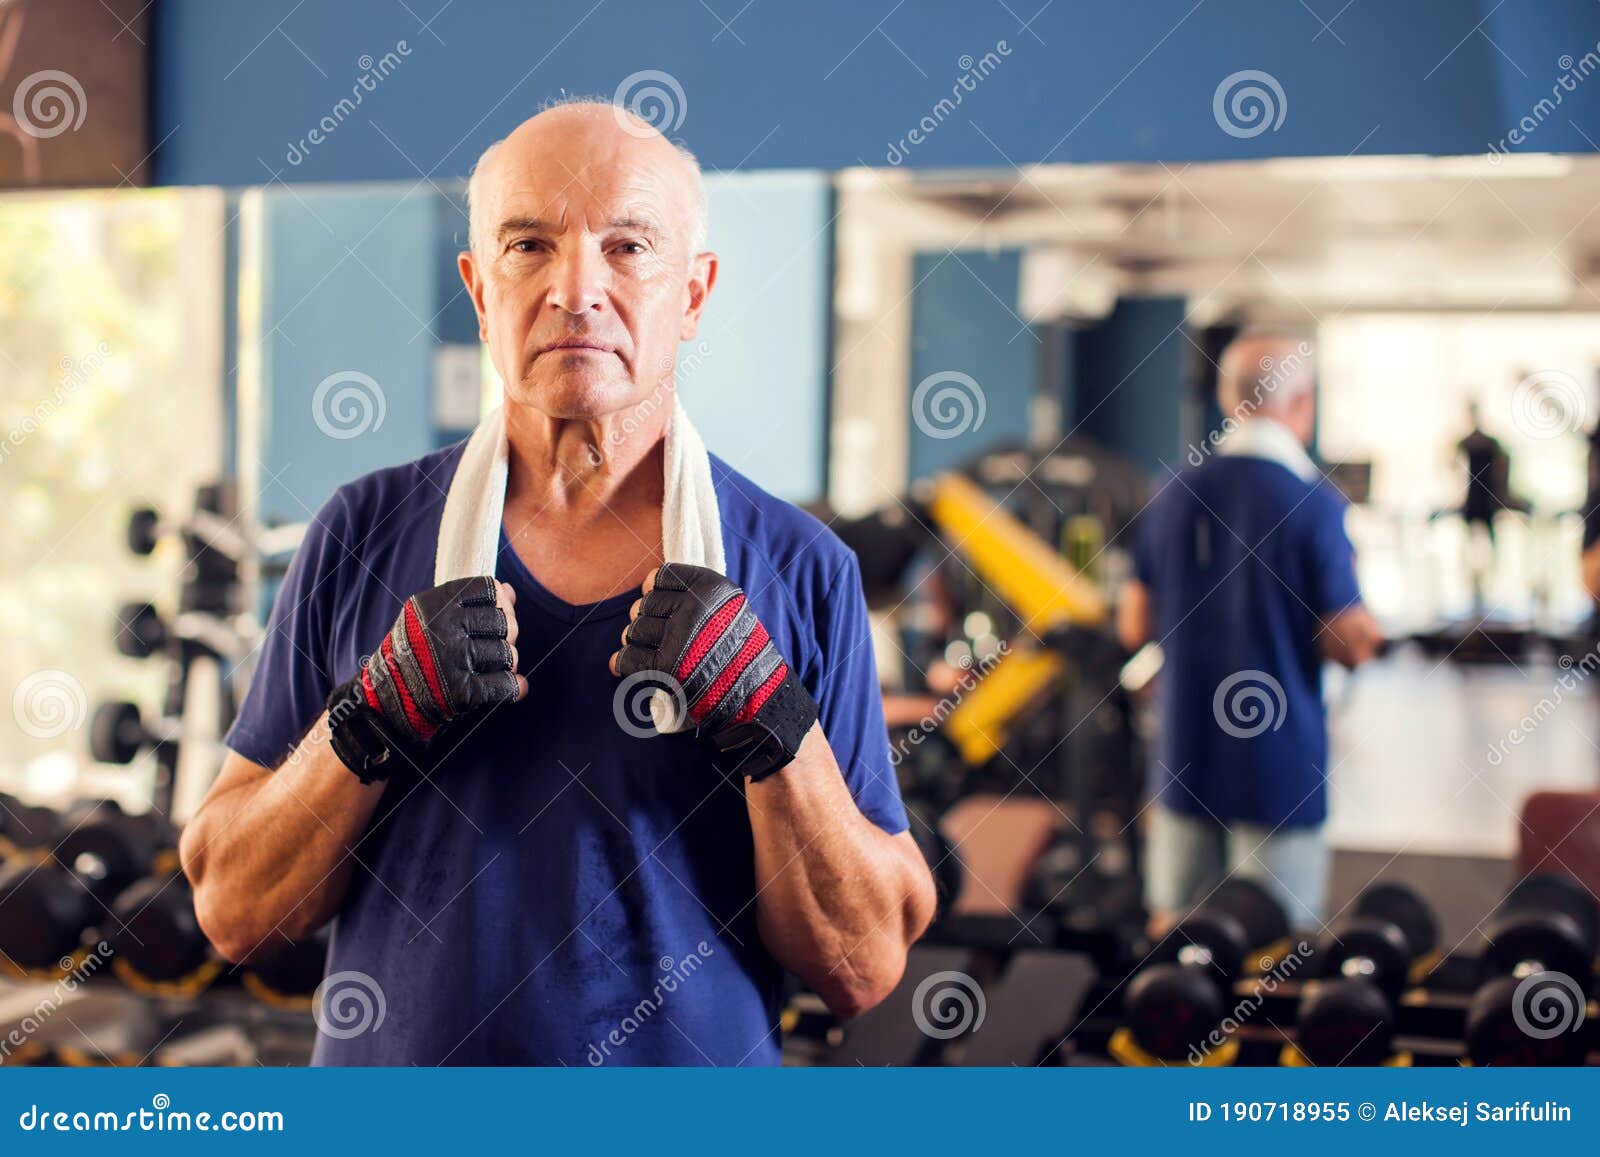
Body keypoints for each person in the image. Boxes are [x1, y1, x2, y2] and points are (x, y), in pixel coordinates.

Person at [179, 99, 934, 1066]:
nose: (576, 290)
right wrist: (363, 724)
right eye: (529, 245)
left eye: (628, 247)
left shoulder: (800, 568)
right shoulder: (360, 534)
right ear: (480, 289)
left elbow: (863, 965)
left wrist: (776, 731)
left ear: (694, 294)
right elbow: (235, 909)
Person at [1116, 334, 1382, 933]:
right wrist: (1364, 635)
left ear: (1225, 397)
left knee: (1176, 938)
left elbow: (1134, 623)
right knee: (1273, 951)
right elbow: (1347, 640)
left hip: (1187, 754)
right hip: (1278, 765)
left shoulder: (1172, 493)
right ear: (1301, 404)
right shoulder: (1315, 503)